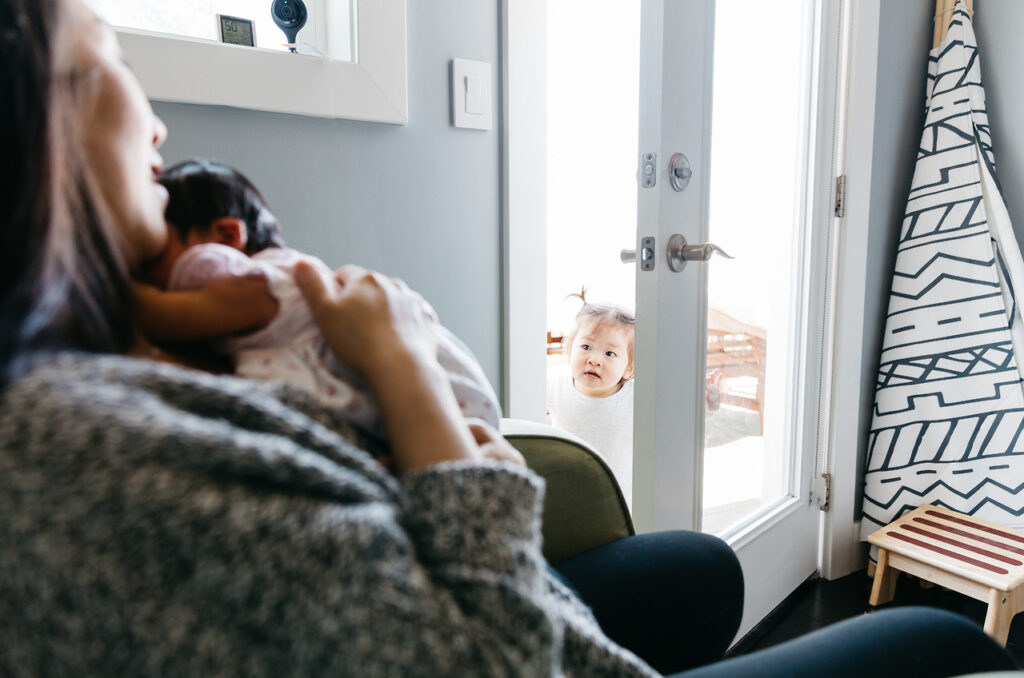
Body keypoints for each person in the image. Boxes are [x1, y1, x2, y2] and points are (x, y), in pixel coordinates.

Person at [0, 1, 1016, 676]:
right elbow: (504, 658)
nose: (159, 127)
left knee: (697, 566)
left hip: (421, 564)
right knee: (938, 640)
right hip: (504, 637)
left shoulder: (100, 344)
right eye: (108, 65)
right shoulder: (74, 444)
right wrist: (400, 364)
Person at [133, 158, 501, 439]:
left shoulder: (261, 283)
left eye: (154, 256)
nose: (145, 271)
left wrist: (107, 271)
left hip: (445, 406)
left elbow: (154, 313)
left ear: (227, 237)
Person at [548, 289, 636, 507]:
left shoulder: (635, 398)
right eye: (586, 347)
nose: (594, 359)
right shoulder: (555, 388)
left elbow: (673, 418)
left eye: (610, 353)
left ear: (629, 368)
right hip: (564, 494)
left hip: (616, 503)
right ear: (569, 350)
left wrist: (709, 406)